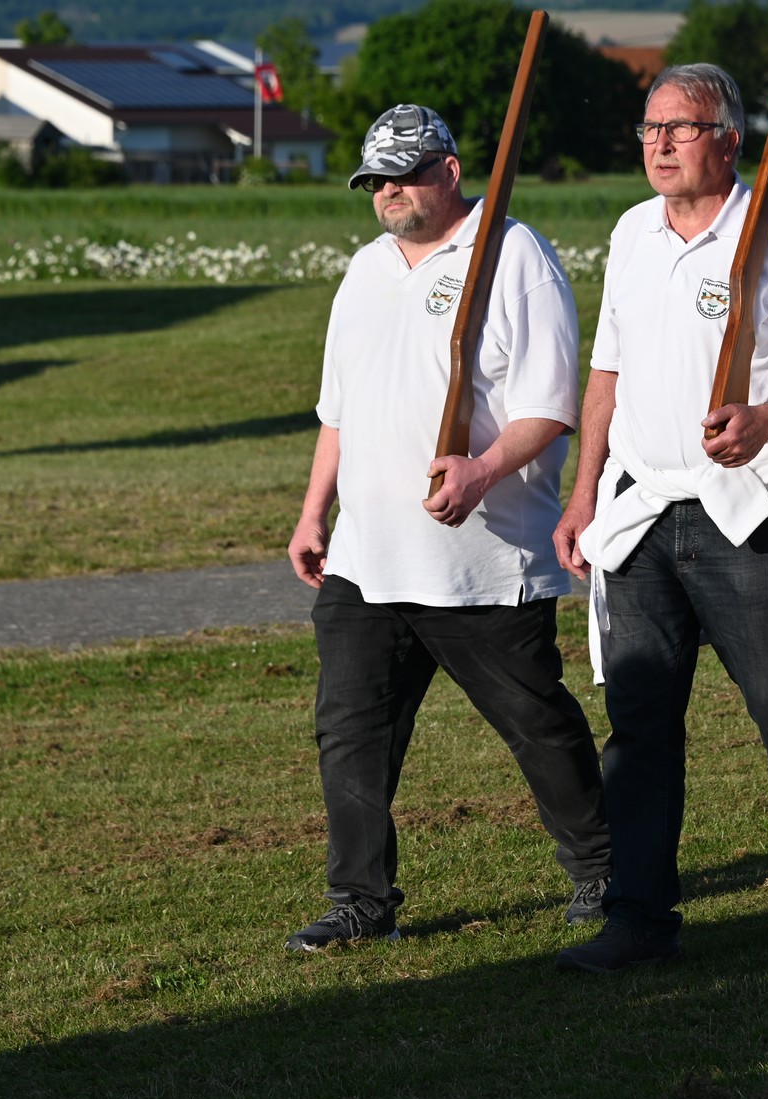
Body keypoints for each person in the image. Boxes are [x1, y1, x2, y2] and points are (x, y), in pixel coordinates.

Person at [283, 104, 611, 950]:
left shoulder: (515, 256)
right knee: (351, 732)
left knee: (535, 723)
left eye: (404, 175)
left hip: (481, 558)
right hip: (366, 557)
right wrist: (315, 511)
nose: (389, 193)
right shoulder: (365, 269)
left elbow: (550, 407)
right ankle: (362, 901)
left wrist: (481, 470)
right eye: (375, 181)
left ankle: (603, 869)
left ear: (451, 171)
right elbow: (339, 411)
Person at [551, 64, 768, 973]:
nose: (661, 143)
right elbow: (607, 373)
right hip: (642, 512)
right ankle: (640, 915)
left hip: (746, 517)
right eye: (650, 128)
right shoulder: (632, 232)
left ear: (730, 140)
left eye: (681, 127)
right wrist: (585, 492)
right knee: (638, 719)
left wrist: (767, 418)